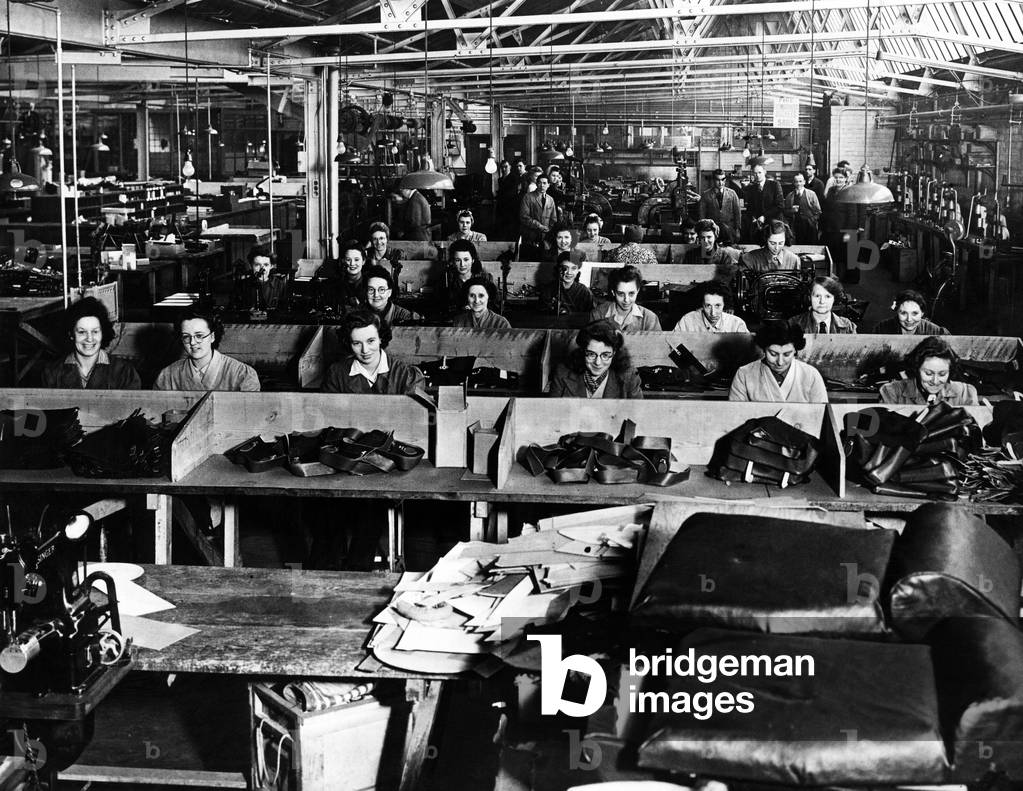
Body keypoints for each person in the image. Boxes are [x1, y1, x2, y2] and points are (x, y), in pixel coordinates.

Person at [41, 296, 141, 389]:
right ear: (71, 335)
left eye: (95, 331)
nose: (89, 338)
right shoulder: (52, 373)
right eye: (82, 332)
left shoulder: (125, 372)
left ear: (103, 333)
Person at [155, 309, 259, 391]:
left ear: (212, 336)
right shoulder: (167, 376)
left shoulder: (242, 374)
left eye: (199, 335)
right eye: (186, 336)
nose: (192, 342)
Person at [323, 310, 425, 394]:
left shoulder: (406, 375)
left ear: (381, 338)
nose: (365, 350)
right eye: (357, 343)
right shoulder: (336, 374)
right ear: (349, 343)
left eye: (370, 341)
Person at [729, 320, 827, 402]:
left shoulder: (811, 375)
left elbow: (821, 415)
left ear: (795, 351)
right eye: (773, 354)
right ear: (764, 349)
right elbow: (736, 414)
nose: (780, 362)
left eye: (787, 354)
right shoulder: (744, 374)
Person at [549, 320, 643, 399]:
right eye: (591, 354)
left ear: (614, 353)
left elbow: (638, 416)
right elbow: (552, 415)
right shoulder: (562, 373)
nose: (598, 363)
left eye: (605, 355)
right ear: (582, 351)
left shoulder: (629, 376)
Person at [880, 336, 979, 406]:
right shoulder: (892, 392)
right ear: (916, 368)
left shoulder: (965, 393)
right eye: (928, 373)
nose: (935, 381)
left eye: (942, 374)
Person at [589, 266, 661, 332]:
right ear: (613, 292)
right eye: (621, 294)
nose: (626, 300)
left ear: (638, 291)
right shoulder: (598, 315)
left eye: (631, 293)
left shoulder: (650, 319)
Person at [789, 276, 857, 334]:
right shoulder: (793, 324)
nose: (822, 301)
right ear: (809, 297)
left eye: (827, 296)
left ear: (834, 299)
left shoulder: (848, 327)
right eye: (817, 296)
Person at [673, 281, 748, 333]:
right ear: (702, 305)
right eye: (708, 306)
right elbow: (673, 348)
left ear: (724, 304)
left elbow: (749, 352)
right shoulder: (687, 321)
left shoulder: (736, 324)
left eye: (717, 306)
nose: (713, 313)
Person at [314, 240, 367, 313]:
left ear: (363, 261)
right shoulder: (333, 285)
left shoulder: (370, 284)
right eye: (348, 259)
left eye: (356, 260)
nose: (352, 263)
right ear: (343, 260)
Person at [445, 239, 495, 315]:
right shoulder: (447, 279)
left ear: (473, 260)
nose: (462, 264)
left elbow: (493, 305)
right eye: (458, 260)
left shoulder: (485, 278)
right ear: (453, 261)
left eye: (466, 260)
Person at [871, 289, 950, 335]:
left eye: (915, 313)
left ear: (922, 313)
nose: (909, 319)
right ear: (897, 312)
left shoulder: (936, 332)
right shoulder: (881, 329)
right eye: (903, 313)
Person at [741, 163, 784, 243]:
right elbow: (750, 207)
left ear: (764, 172)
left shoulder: (774, 185)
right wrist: (753, 217)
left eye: (760, 172)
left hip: (773, 224)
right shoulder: (752, 188)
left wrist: (764, 216)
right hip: (758, 225)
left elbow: (780, 206)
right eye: (755, 173)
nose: (757, 175)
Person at [519, 173, 558, 258]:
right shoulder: (528, 197)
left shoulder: (550, 199)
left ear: (548, 185)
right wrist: (539, 226)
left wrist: (549, 229)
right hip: (530, 236)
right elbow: (524, 217)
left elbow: (553, 218)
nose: (542, 185)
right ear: (536, 184)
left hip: (545, 237)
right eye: (539, 183)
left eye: (544, 183)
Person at [699, 168, 741, 240]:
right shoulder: (706, 194)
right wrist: (703, 229)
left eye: (722, 180)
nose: (720, 182)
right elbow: (702, 214)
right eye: (718, 180)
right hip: (712, 230)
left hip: (729, 230)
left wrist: (737, 230)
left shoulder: (732, 193)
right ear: (713, 180)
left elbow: (737, 213)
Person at [784, 172, 822, 244]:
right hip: (796, 226)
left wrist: (811, 221)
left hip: (810, 227)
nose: (798, 184)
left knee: (811, 246)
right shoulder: (789, 196)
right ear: (794, 183)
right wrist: (791, 211)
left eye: (800, 181)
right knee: (797, 246)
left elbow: (818, 211)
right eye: (796, 182)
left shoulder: (811, 194)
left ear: (804, 182)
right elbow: (785, 212)